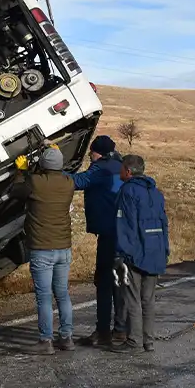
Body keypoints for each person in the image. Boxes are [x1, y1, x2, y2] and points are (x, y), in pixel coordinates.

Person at [9, 145, 76, 353]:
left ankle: (45, 341)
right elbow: (50, 179)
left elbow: (16, 191)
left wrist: (21, 170)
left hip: (42, 249)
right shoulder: (68, 183)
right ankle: (66, 337)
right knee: (62, 294)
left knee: (44, 296)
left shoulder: (35, 182)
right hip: (63, 248)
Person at [66, 135, 126, 347]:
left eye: (91, 152)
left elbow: (78, 181)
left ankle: (102, 331)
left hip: (108, 232)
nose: (90, 156)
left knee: (104, 281)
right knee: (120, 281)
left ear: (96, 152)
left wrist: (52, 172)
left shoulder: (100, 168)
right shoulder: (121, 166)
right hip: (124, 234)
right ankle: (120, 329)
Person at [110, 154, 169, 353]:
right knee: (148, 299)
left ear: (128, 170)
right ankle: (148, 341)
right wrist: (165, 250)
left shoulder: (127, 191)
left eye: (121, 169)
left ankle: (134, 341)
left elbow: (124, 225)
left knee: (132, 298)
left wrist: (121, 253)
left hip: (135, 253)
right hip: (156, 251)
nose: (119, 173)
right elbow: (164, 223)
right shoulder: (156, 193)